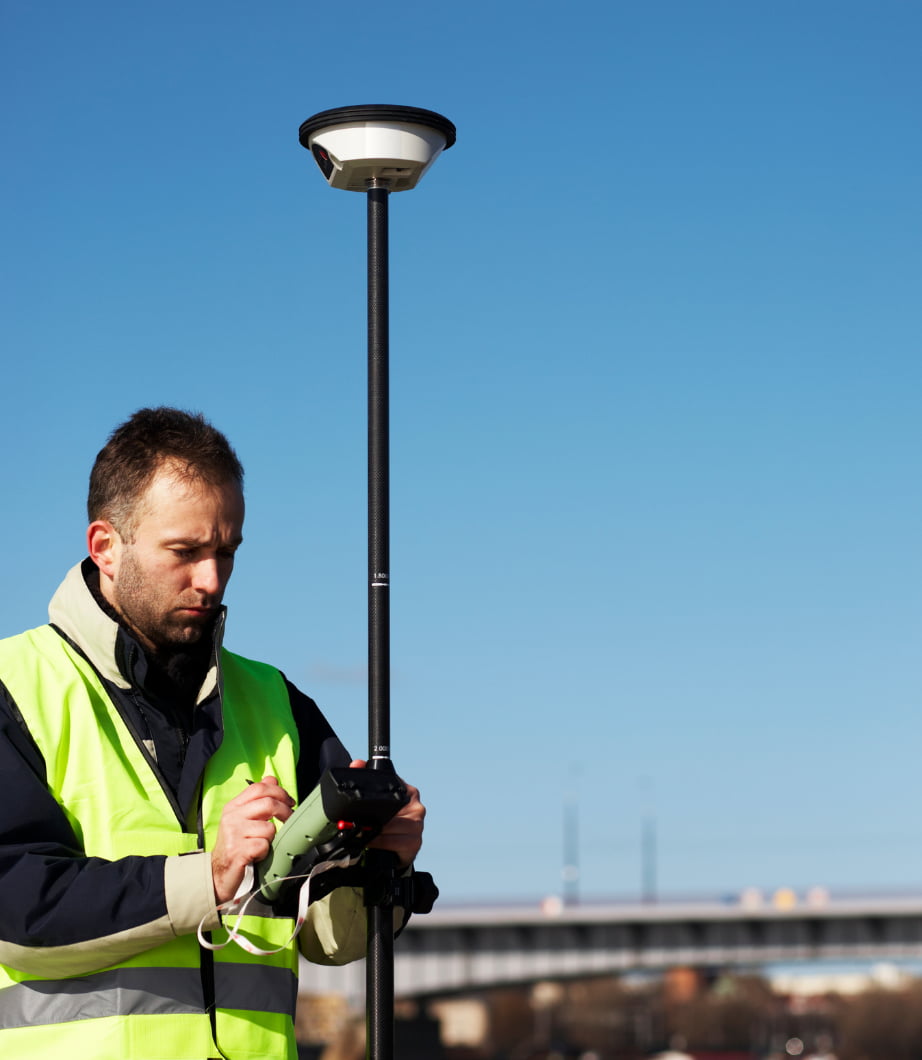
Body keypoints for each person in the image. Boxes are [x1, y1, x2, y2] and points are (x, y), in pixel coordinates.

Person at [0, 407, 425, 1060]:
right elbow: (19, 912)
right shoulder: (14, 686)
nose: (212, 580)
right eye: (186, 552)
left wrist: (385, 868)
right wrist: (213, 877)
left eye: (226, 552)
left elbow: (327, 941)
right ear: (105, 546)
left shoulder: (280, 703)